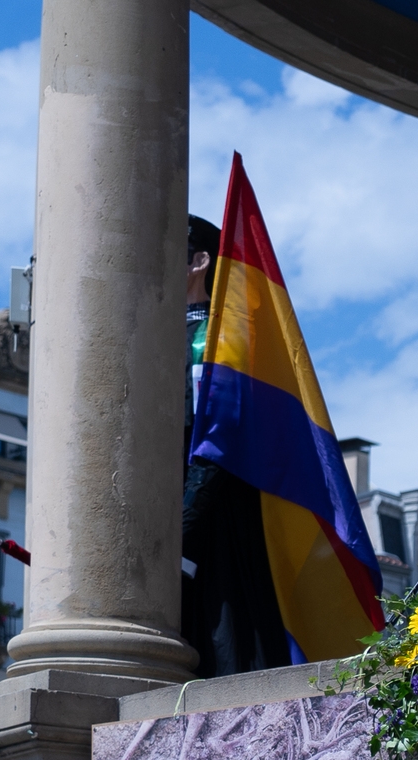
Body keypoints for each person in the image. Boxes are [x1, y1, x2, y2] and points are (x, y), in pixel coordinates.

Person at [180, 211, 293, 675]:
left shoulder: (218, 335)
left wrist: (186, 519)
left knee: (222, 641)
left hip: (215, 508)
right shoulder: (149, 332)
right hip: (168, 500)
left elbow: (220, 432)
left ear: (200, 261)